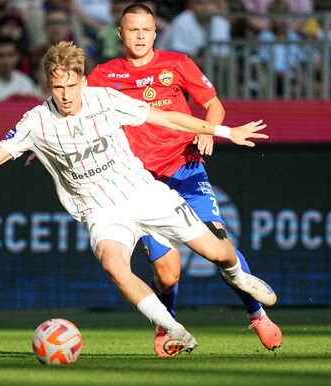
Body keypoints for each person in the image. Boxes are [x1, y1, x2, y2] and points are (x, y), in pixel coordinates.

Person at [0, 41, 274, 357]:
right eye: (58, 87)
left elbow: (168, 119)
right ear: (48, 85)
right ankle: (173, 329)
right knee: (113, 264)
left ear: (83, 81)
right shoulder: (35, 121)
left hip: (144, 194)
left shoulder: (105, 100)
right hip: (100, 212)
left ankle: (237, 275)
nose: (66, 94)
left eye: (71, 85)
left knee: (218, 251)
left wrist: (226, 131)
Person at [87, 3, 282, 355]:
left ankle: (257, 315)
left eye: (146, 29)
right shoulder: (103, 75)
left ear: (155, 32)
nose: (141, 35)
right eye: (133, 29)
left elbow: (213, 104)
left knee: (217, 243)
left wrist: (209, 131)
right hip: (141, 184)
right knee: (168, 273)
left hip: (185, 168)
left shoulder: (177, 64)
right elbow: (75, 111)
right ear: (121, 34)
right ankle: (169, 322)